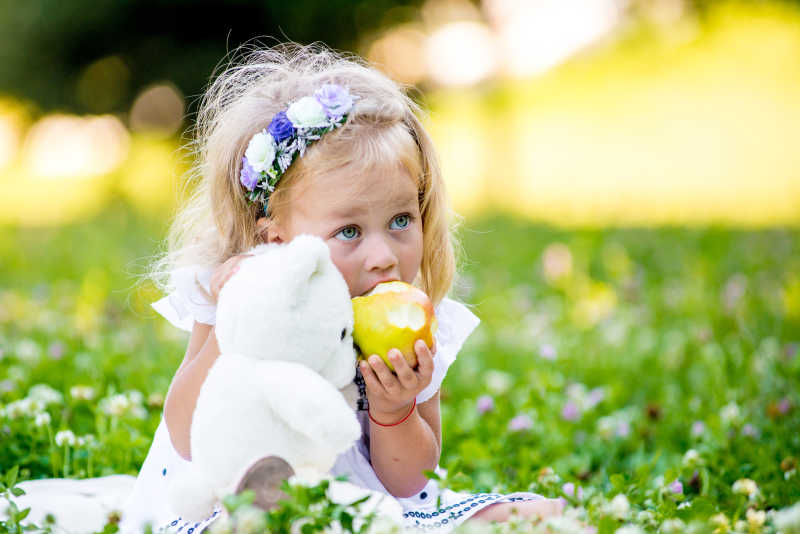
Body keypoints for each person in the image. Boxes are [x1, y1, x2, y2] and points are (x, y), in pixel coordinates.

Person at [120, 42, 564, 533]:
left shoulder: (413, 320)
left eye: (400, 220)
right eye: (349, 232)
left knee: (538, 515)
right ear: (278, 240)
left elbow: (409, 482)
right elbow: (186, 433)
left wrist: (395, 411)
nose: (384, 256)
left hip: (368, 506)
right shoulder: (234, 291)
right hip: (239, 500)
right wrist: (239, 321)